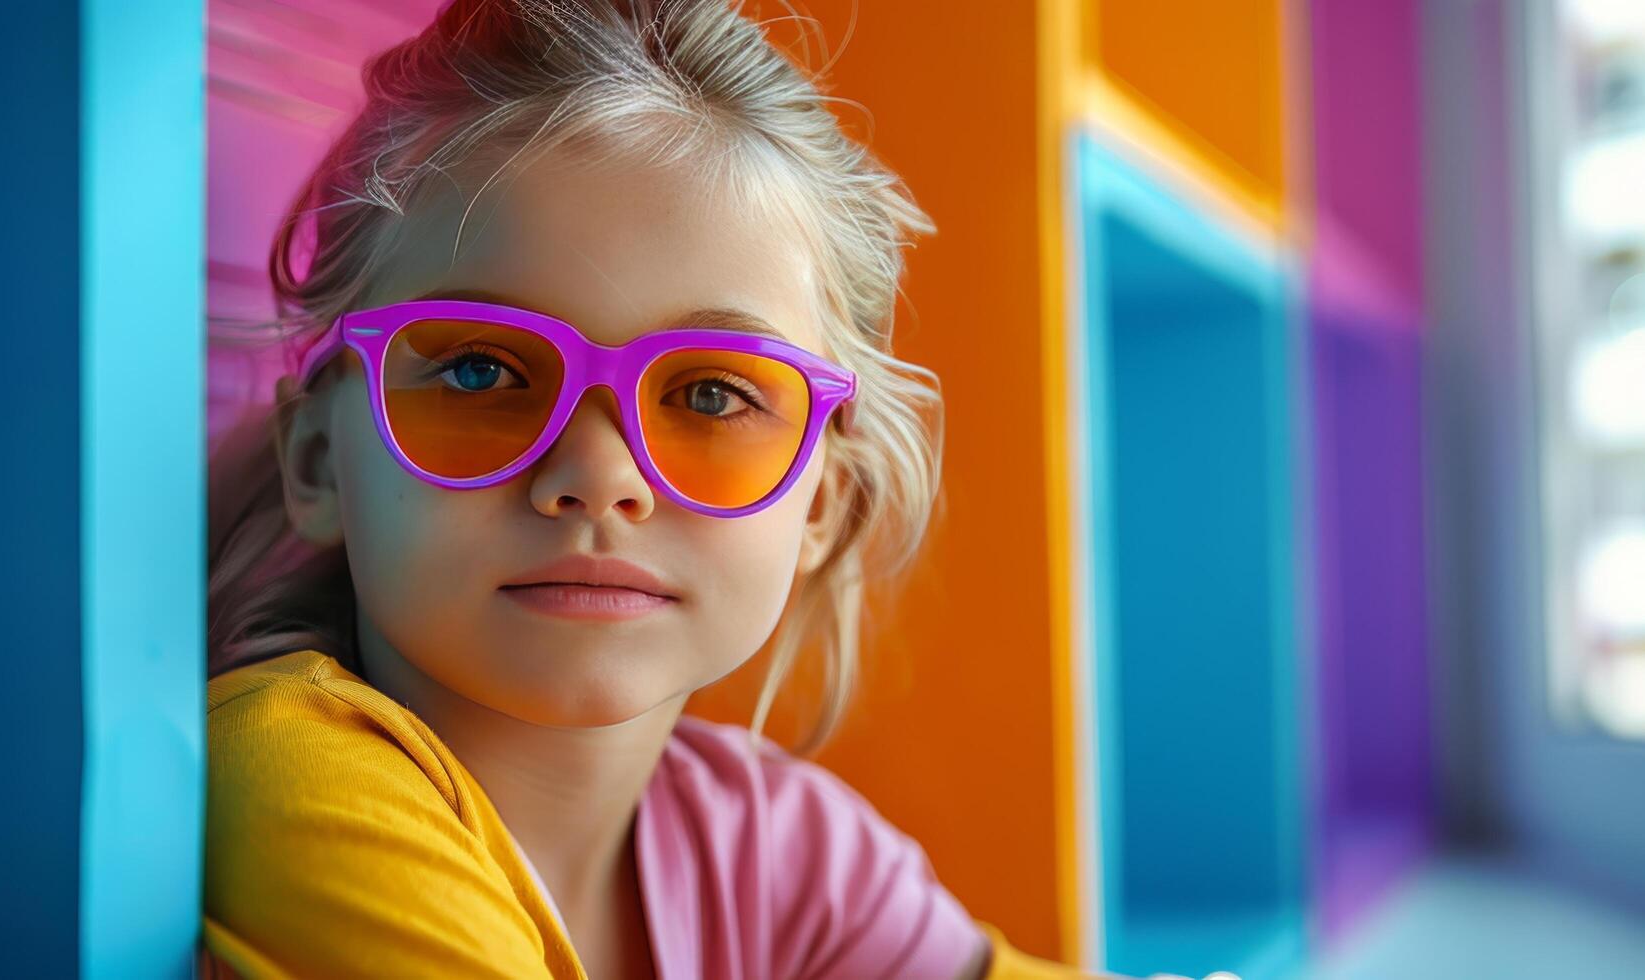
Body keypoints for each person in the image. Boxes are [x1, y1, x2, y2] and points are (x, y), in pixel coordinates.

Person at [199, 1, 1174, 977]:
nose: (598, 477)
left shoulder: (782, 851)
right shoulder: (292, 776)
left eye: (711, 394)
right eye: (480, 372)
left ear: (823, 501)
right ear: (319, 461)